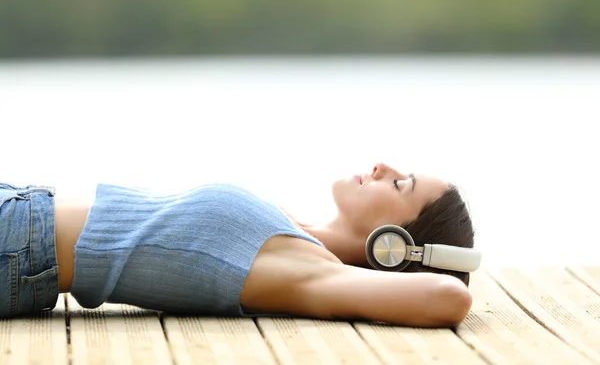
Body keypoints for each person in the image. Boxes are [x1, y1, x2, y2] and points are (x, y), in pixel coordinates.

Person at [0, 162, 476, 327]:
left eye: (400, 186)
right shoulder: (295, 233)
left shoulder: (306, 269)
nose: (381, 167)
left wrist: (421, 261)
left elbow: (450, 297)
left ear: (392, 246)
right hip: (20, 207)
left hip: (18, 246)